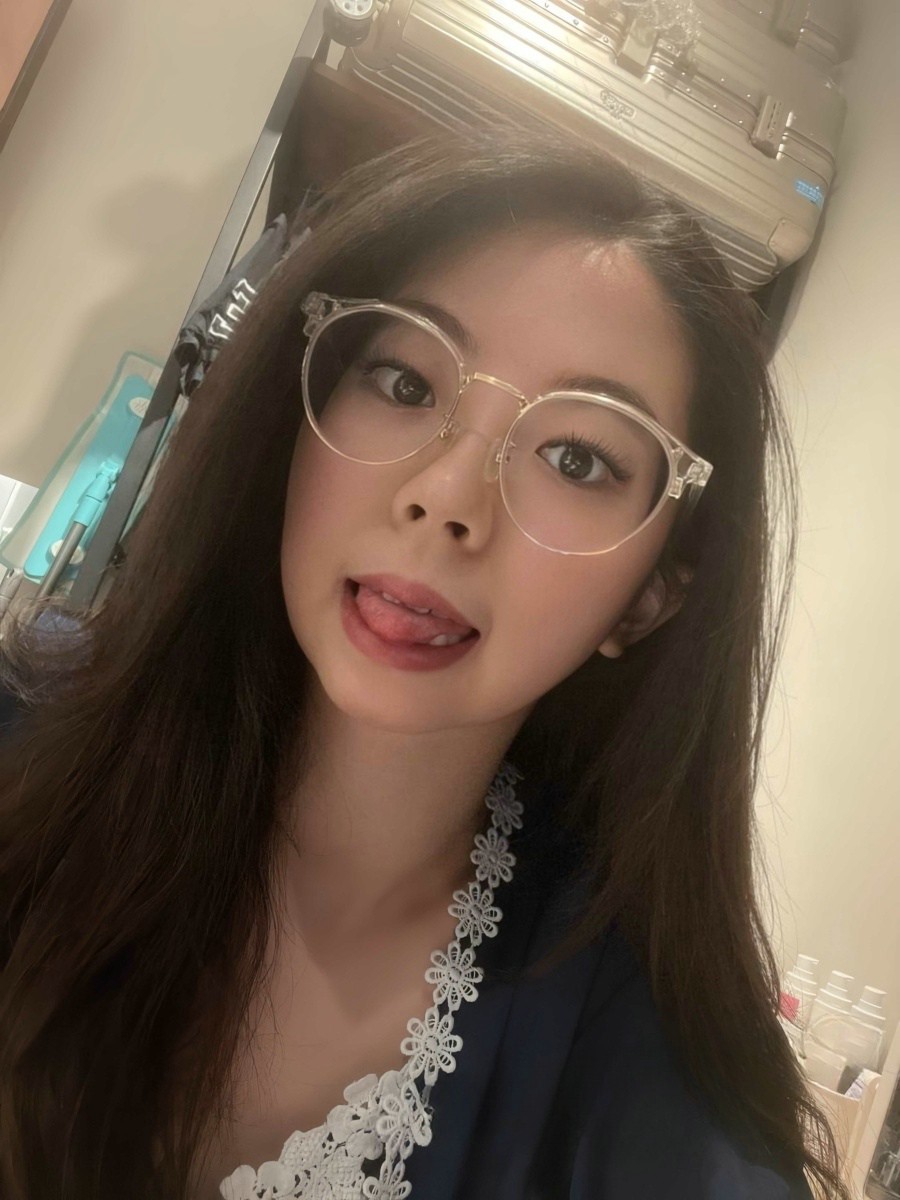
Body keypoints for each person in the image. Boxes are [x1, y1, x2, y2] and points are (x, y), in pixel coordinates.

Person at [0, 126, 848, 1200]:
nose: (446, 497)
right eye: (404, 380)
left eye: (576, 458)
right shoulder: (28, 730)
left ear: (651, 593)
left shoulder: (627, 1045)